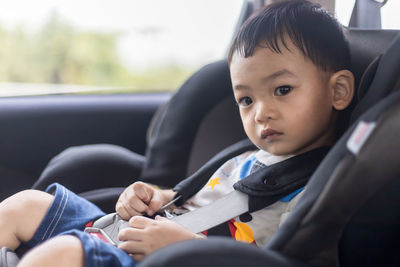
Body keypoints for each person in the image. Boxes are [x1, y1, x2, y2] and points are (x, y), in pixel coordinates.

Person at [0, 1, 355, 266]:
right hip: (136, 231)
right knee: (26, 204)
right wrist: (153, 197)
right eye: (246, 99)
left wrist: (182, 245)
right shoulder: (246, 160)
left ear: (338, 91)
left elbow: (272, 261)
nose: (261, 112)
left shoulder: (319, 191)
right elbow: (194, 199)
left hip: (172, 257)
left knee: (63, 253)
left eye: (281, 90)